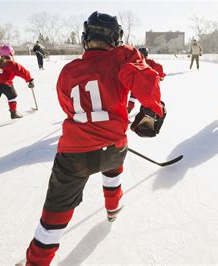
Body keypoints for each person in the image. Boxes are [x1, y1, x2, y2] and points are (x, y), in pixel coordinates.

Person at [25, 11, 166, 264]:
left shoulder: (69, 70)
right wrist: (154, 107)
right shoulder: (122, 57)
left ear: (85, 37)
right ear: (116, 37)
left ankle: (37, 261)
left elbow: (68, 107)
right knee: (114, 163)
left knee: (54, 217)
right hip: (113, 147)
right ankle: (113, 207)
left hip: (75, 153)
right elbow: (146, 79)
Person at [0, 44, 34, 128]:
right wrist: (29, 80)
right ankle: (13, 113)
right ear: (11, 54)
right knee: (12, 96)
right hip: (5, 84)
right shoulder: (11, 63)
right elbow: (22, 71)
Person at [127, 47, 166, 113]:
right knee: (152, 98)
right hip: (149, 89)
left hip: (137, 87)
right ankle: (152, 112)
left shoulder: (136, 62)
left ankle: (128, 111)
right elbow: (159, 67)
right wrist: (162, 76)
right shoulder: (152, 63)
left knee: (132, 98)